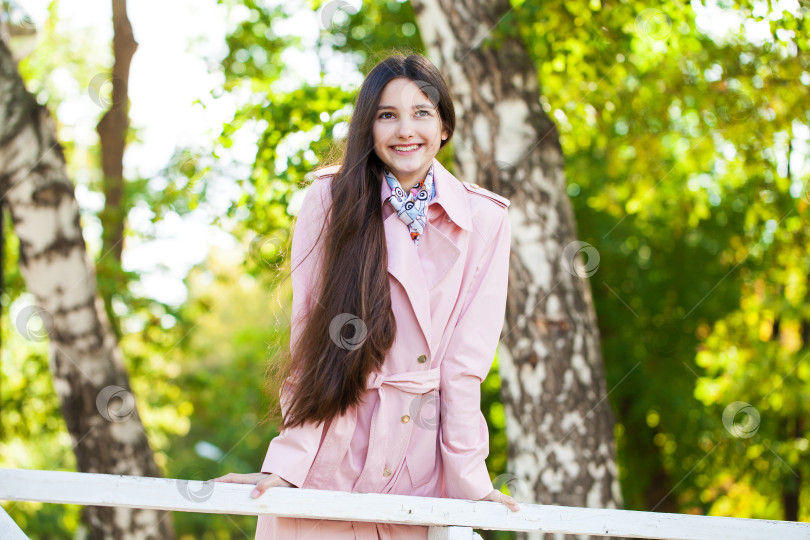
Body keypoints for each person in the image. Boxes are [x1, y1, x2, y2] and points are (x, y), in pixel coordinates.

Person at [212, 52, 518, 539]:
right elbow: (309, 345)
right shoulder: (329, 201)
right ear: (368, 128)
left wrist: (470, 482)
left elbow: (465, 365)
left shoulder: (486, 219)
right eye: (386, 115)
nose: (405, 130)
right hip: (328, 449)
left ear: (444, 127)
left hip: (415, 470)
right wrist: (286, 465)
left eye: (421, 113)